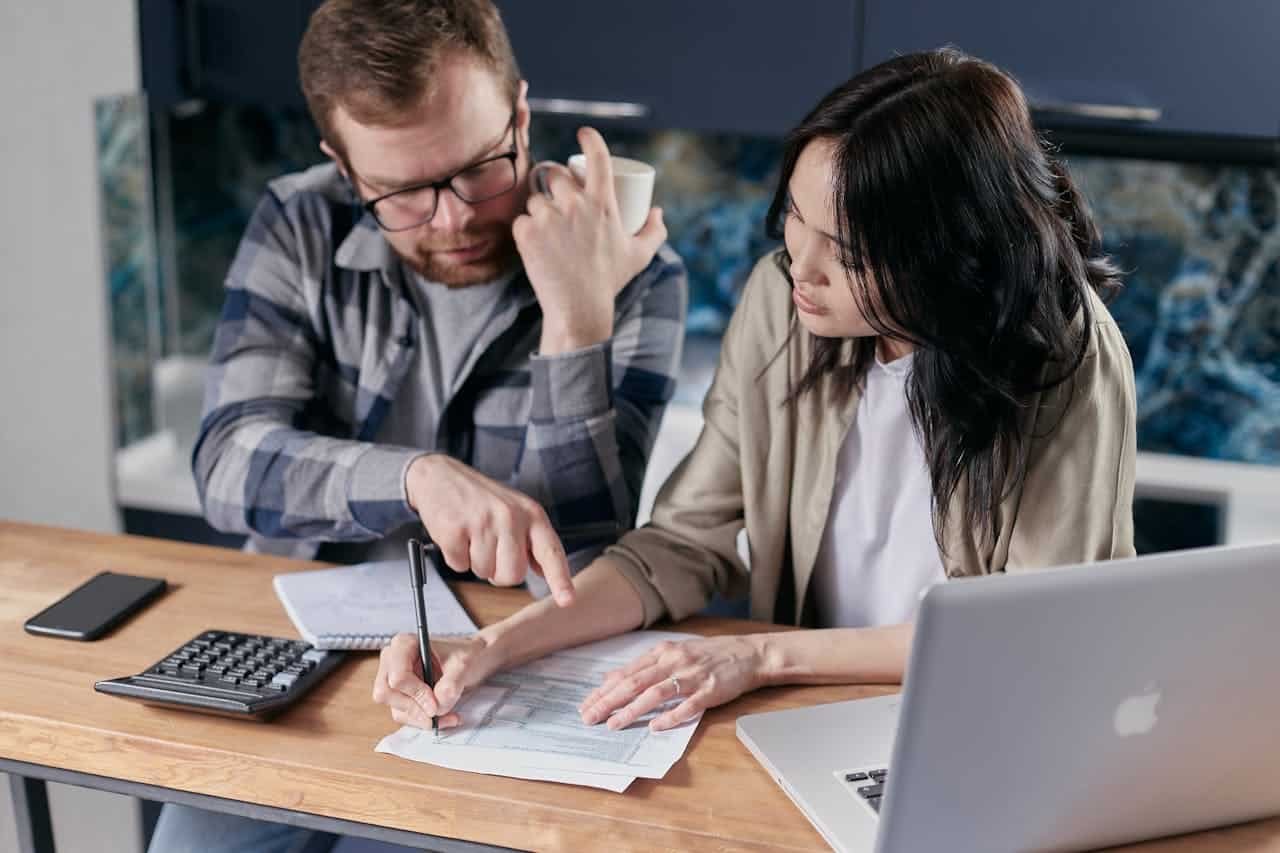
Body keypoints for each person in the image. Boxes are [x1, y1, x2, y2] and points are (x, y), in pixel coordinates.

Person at [372, 48, 1138, 737]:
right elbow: (678, 544)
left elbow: (1027, 632)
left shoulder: (1067, 355)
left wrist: (760, 654)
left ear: (948, 254)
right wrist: (494, 645)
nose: (799, 268)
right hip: (809, 716)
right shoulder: (781, 302)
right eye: (795, 223)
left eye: (845, 253)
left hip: (980, 726)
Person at [150, 0, 686, 850]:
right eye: (402, 192)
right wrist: (413, 475)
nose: (455, 217)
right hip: (300, 665)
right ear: (345, 168)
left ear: (520, 113)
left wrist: (576, 322)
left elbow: (584, 563)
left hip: (496, 680)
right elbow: (227, 465)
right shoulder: (300, 222)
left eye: (480, 167)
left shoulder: (629, 266)